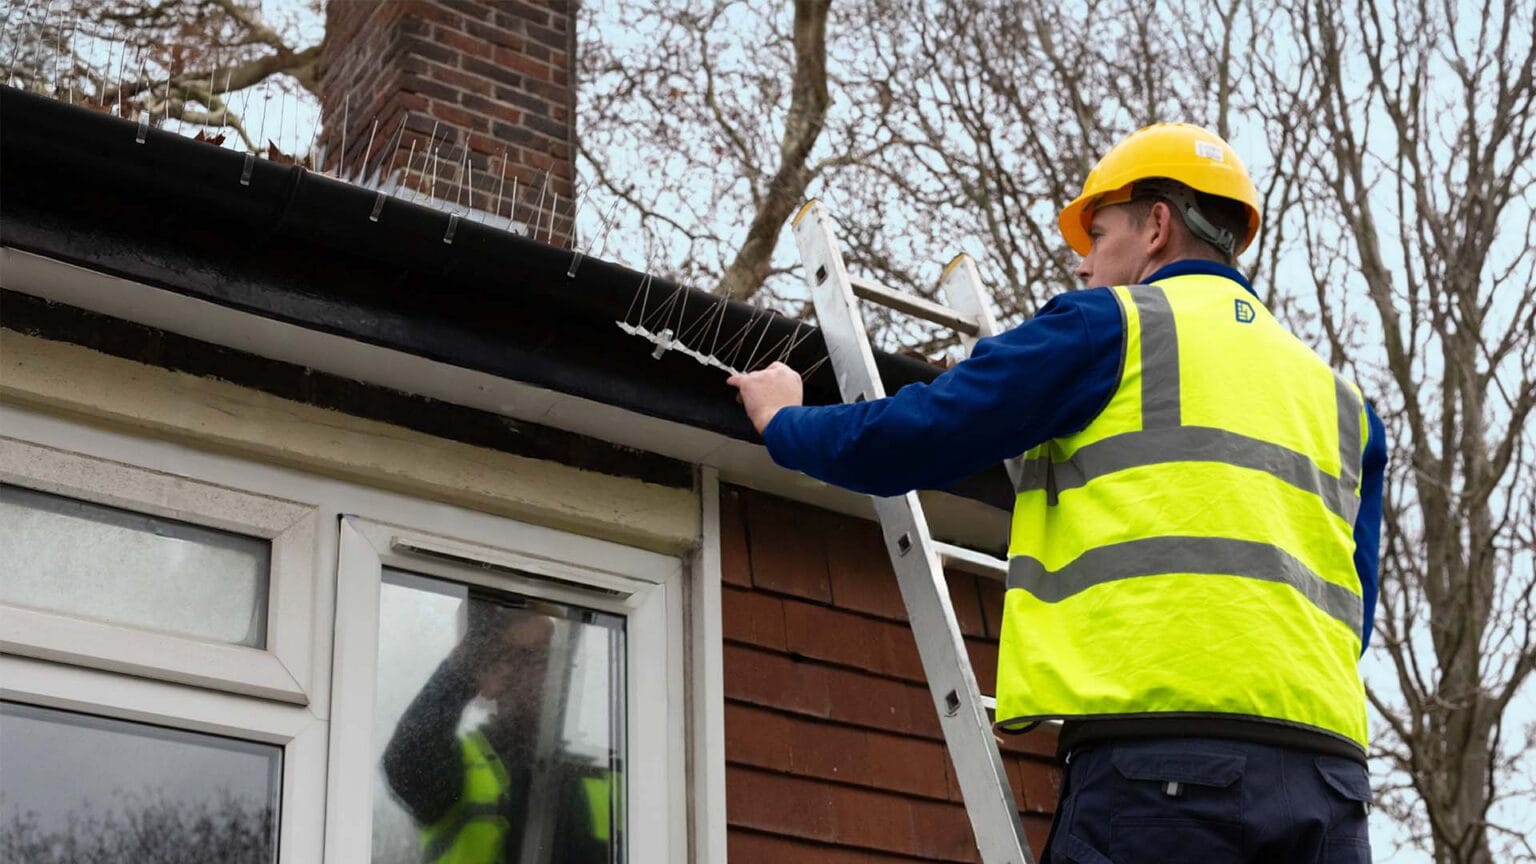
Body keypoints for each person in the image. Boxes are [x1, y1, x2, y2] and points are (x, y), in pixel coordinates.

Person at [728, 122, 1385, 862]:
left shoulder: (1110, 328)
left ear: (1157, 227)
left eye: (1097, 234)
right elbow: (1350, 611)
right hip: (1330, 787)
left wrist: (786, 422)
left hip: (1165, 772)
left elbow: (919, 432)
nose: (1083, 263)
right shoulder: (1346, 406)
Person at [383, 600, 614, 864]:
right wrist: (469, 657)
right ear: (491, 677)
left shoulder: (606, 776)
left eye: (556, 660)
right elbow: (406, 759)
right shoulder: (458, 769)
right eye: (534, 658)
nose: (551, 674)